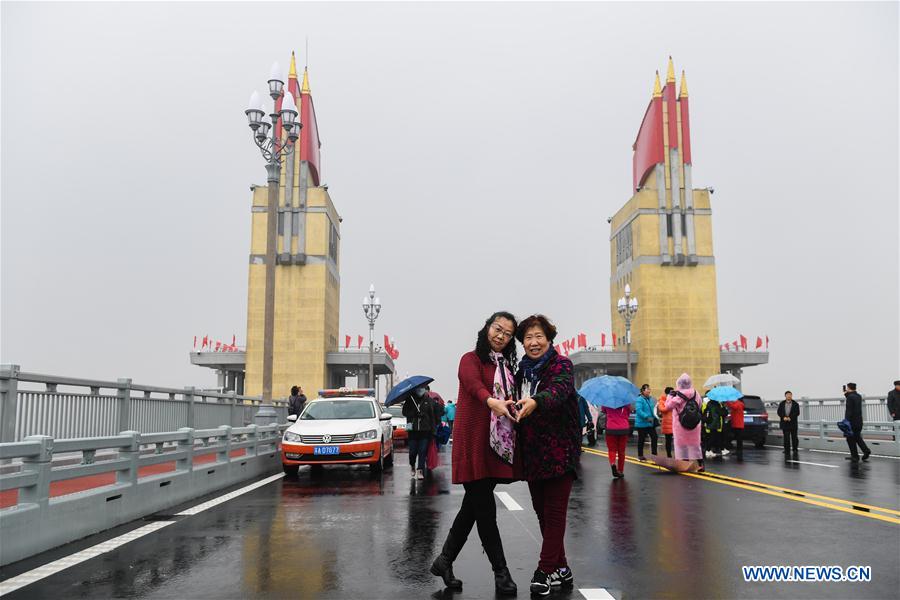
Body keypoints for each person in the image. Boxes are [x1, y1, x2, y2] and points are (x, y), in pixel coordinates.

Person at [430, 311, 519, 596]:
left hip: (494, 445)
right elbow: (473, 386)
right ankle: (501, 573)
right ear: (487, 328)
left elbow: (508, 398)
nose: (501, 335)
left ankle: (444, 561)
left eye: (507, 333)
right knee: (485, 510)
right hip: (472, 444)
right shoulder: (470, 359)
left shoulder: (506, 367)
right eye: (497, 328)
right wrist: (492, 401)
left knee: (473, 508)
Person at [514, 315, 581, 596]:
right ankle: (562, 569)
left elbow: (558, 391)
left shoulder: (561, 365)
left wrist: (536, 401)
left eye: (538, 336)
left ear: (549, 338)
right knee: (542, 514)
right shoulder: (522, 372)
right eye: (528, 338)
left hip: (560, 451)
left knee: (554, 514)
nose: (533, 342)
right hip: (533, 453)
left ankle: (543, 572)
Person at [665, 373, 705, 472]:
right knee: (695, 445)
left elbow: (668, 406)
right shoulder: (696, 393)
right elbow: (700, 405)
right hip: (694, 424)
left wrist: (670, 396)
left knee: (681, 445)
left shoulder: (678, 396)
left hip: (680, 424)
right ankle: (701, 464)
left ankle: (684, 464)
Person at [403, 386, 441, 479]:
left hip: (425, 431)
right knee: (412, 452)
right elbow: (404, 412)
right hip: (413, 430)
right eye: (419, 388)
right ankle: (412, 465)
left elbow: (433, 417)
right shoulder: (410, 400)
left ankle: (420, 470)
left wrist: (433, 431)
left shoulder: (429, 401)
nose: (420, 390)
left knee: (422, 451)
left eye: (422, 388)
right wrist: (414, 413)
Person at [843, 383, 871, 462]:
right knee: (857, 437)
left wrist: (846, 421)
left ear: (848, 388)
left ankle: (855, 456)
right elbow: (852, 400)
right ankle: (866, 451)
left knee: (850, 438)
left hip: (852, 422)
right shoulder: (858, 396)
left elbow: (849, 410)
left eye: (847, 388)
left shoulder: (850, 397)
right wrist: (847, 394)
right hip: (859, 421)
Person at [603, 403, 630, 478]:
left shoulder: (607, 402)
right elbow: (628, 414)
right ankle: (620, 470)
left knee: (612, 449)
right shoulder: (626, 402)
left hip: (611, 428)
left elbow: (604, 411)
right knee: (622, 451)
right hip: (623, 428)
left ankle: (612, 463)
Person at [634, 384, 658, 461]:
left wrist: (656, 415)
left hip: (650, 423)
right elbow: (639, 410)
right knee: (641, 439)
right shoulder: (639, 399)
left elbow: (653, 409)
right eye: (647, 389)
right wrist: (646, 416)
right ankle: (640, 455)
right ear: (643, 390)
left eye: (649, 389)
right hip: (642, 423)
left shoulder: (651, 399)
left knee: (654, 437)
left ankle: (654, 455)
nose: (649, 390)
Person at [777, 391, 800, 458]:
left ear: (791, 396)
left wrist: (790, 418)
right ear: (785, 396)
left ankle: (795, 449)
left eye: (790, 395)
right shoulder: (782, 403)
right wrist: (783, 417)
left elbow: (797, 413)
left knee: (794, 437)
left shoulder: (795, 404)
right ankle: (787, 449)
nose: (789, 396)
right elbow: (779, 412)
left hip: (793, 423)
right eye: (787, 395)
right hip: (785, 423)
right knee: (786, 437)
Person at [657, 387, 674, 458]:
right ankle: (669, 455)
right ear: (667, 393)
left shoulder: (674, 400)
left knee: (677, 441)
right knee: (668, 440)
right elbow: (662, 409)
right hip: (667, 423)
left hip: (675, 423)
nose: (672, 394)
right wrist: (669, 405)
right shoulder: (662, 400)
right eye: (671, 392)